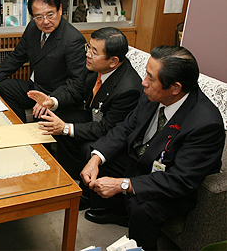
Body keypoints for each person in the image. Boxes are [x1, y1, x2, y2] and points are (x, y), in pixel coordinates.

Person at [80, 46, 225, 250]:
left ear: (175, 87)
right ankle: (119, 212)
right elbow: (127, 127)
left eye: (150, 77)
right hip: (145, 159)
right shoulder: (152, 93)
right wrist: (96, 158)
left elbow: (180, 180)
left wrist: (122, 185)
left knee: (142, 208)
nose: (143, 82)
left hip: (173, 183)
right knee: (92, 153)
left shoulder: (205, 124)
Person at [27, 27, 142, 209]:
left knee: (78, 138)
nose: (87, 54)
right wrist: (52, 101)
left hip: (114, 133)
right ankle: (68, 174)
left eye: (94, 52)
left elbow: (107, 128)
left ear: (113, 61)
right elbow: (75, 89)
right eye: (88, 47)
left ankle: (83, 194)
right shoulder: (93, 66)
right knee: (52, 117)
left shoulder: (128, 89)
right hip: (93, 115)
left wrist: (66, 128)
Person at [0, 0, 86, 122]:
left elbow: (75, 82)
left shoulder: (73, 39)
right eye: (38, 17)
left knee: (44, 120)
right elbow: (17, 56)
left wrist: (51, 100)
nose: (45, 21)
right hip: (36, 88)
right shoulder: (33, 27)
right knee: (4, 87)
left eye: (50, 14)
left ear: (60, 9)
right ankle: (20, 127)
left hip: (57, 96)